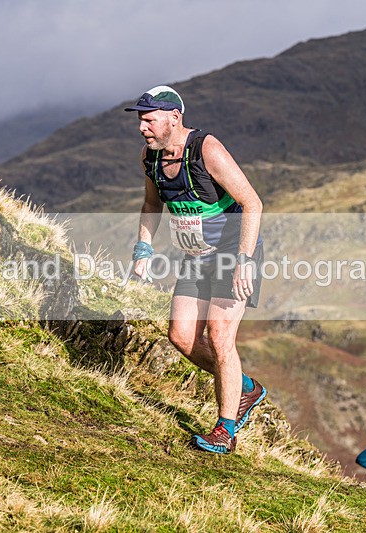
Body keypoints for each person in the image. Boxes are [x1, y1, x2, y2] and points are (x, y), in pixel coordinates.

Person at [126, 85, 266, 454]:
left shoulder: (207, 150)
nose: (143, 127)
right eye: (140, 120)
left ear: (174, 118)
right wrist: (143, 247)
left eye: (149, 119)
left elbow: (252, 203)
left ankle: (226, 430)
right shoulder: (150, 158)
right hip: (195, 256)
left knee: (220, 337)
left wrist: (244, 261)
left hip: (232, 252)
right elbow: (151, 203)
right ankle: (246, 388)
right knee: (181, 336)